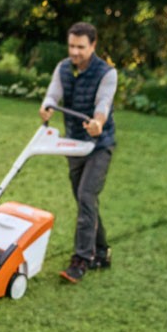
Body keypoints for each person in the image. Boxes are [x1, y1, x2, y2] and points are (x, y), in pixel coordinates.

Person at [39, 21, 116, 284]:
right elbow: (52, 95)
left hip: (98, 146)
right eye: (71, 46)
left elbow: (103, 103)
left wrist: (98, 122)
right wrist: (47, 107)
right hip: (74, 145)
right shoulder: (63, 68)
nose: (74, 52)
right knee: (86, 201)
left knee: (85, 196)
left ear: (93, 46)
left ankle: (81, 260)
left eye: (80, 47)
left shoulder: (107, 73)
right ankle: (102, 252)